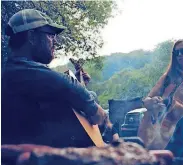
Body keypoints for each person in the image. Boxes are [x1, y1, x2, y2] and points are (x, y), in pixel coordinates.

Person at [2, 9, 112, 148]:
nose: (55, 41)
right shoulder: (20, 72)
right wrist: (99, 112)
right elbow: (95, 113)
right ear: (31, 37)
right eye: (50, 35)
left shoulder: (18, 73)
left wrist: (80, 85)